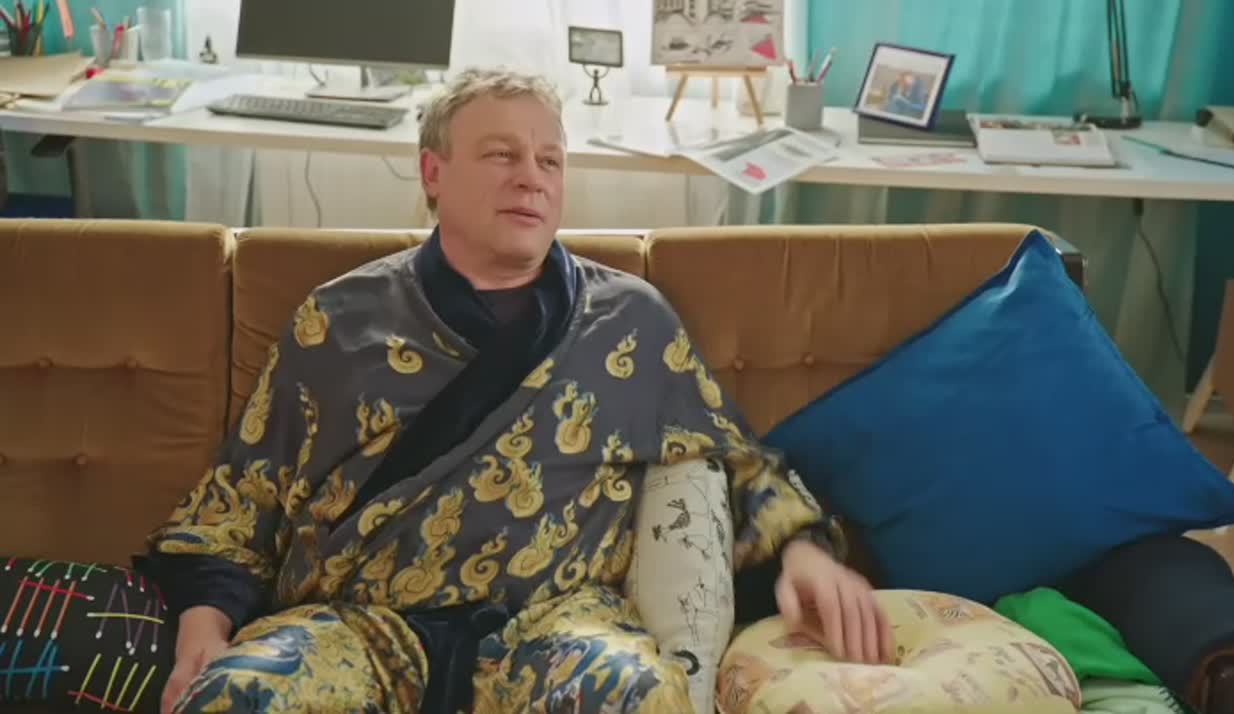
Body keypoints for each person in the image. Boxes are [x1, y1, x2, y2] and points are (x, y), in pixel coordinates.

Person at [0, 67, 891, 714]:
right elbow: (247, 492)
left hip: (553, 628)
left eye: (550, 159)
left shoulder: (632, 321)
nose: (532, 175)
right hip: (358, 624)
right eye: (501, 154)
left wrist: (805, 552)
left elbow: (730, 455)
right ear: (433, 174)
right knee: (242, 699)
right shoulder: (337, 319)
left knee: (634, 692)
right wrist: (204, 619)